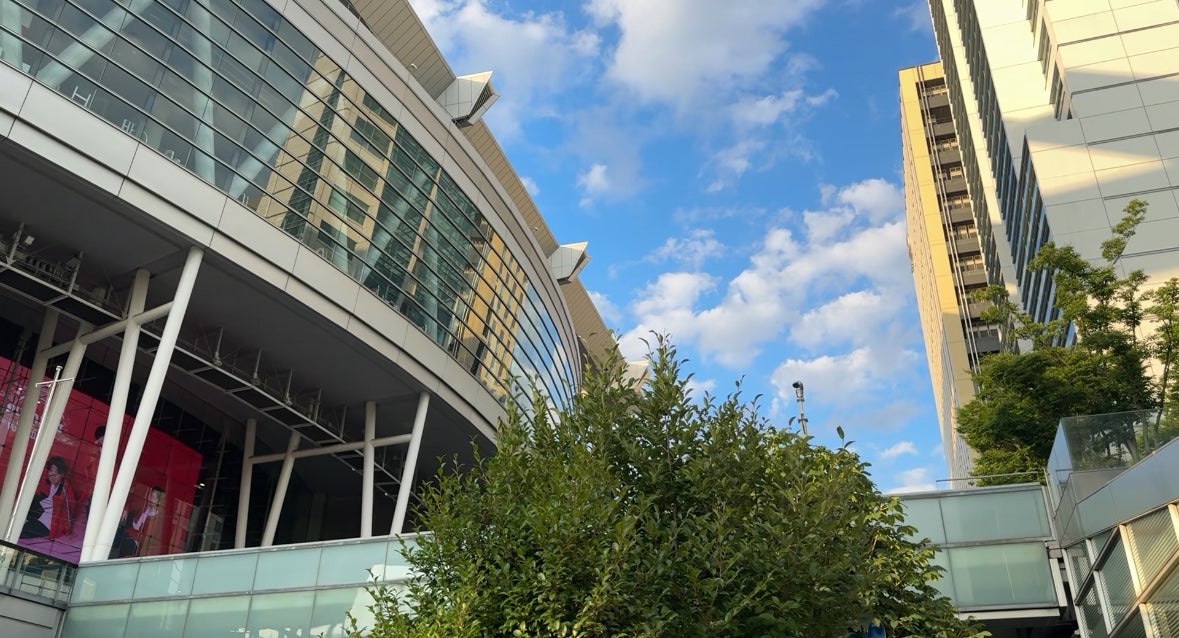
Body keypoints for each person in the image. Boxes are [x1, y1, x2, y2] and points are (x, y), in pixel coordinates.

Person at [22, 456, 76, 540]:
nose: (51, 474)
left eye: (54, 471)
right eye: (50, 471)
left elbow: (69, 512)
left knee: (20, 531)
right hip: (42, 517)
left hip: (48, 525)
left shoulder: (64, 490)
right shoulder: (53, 485)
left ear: (61, 474)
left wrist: (66, 532)